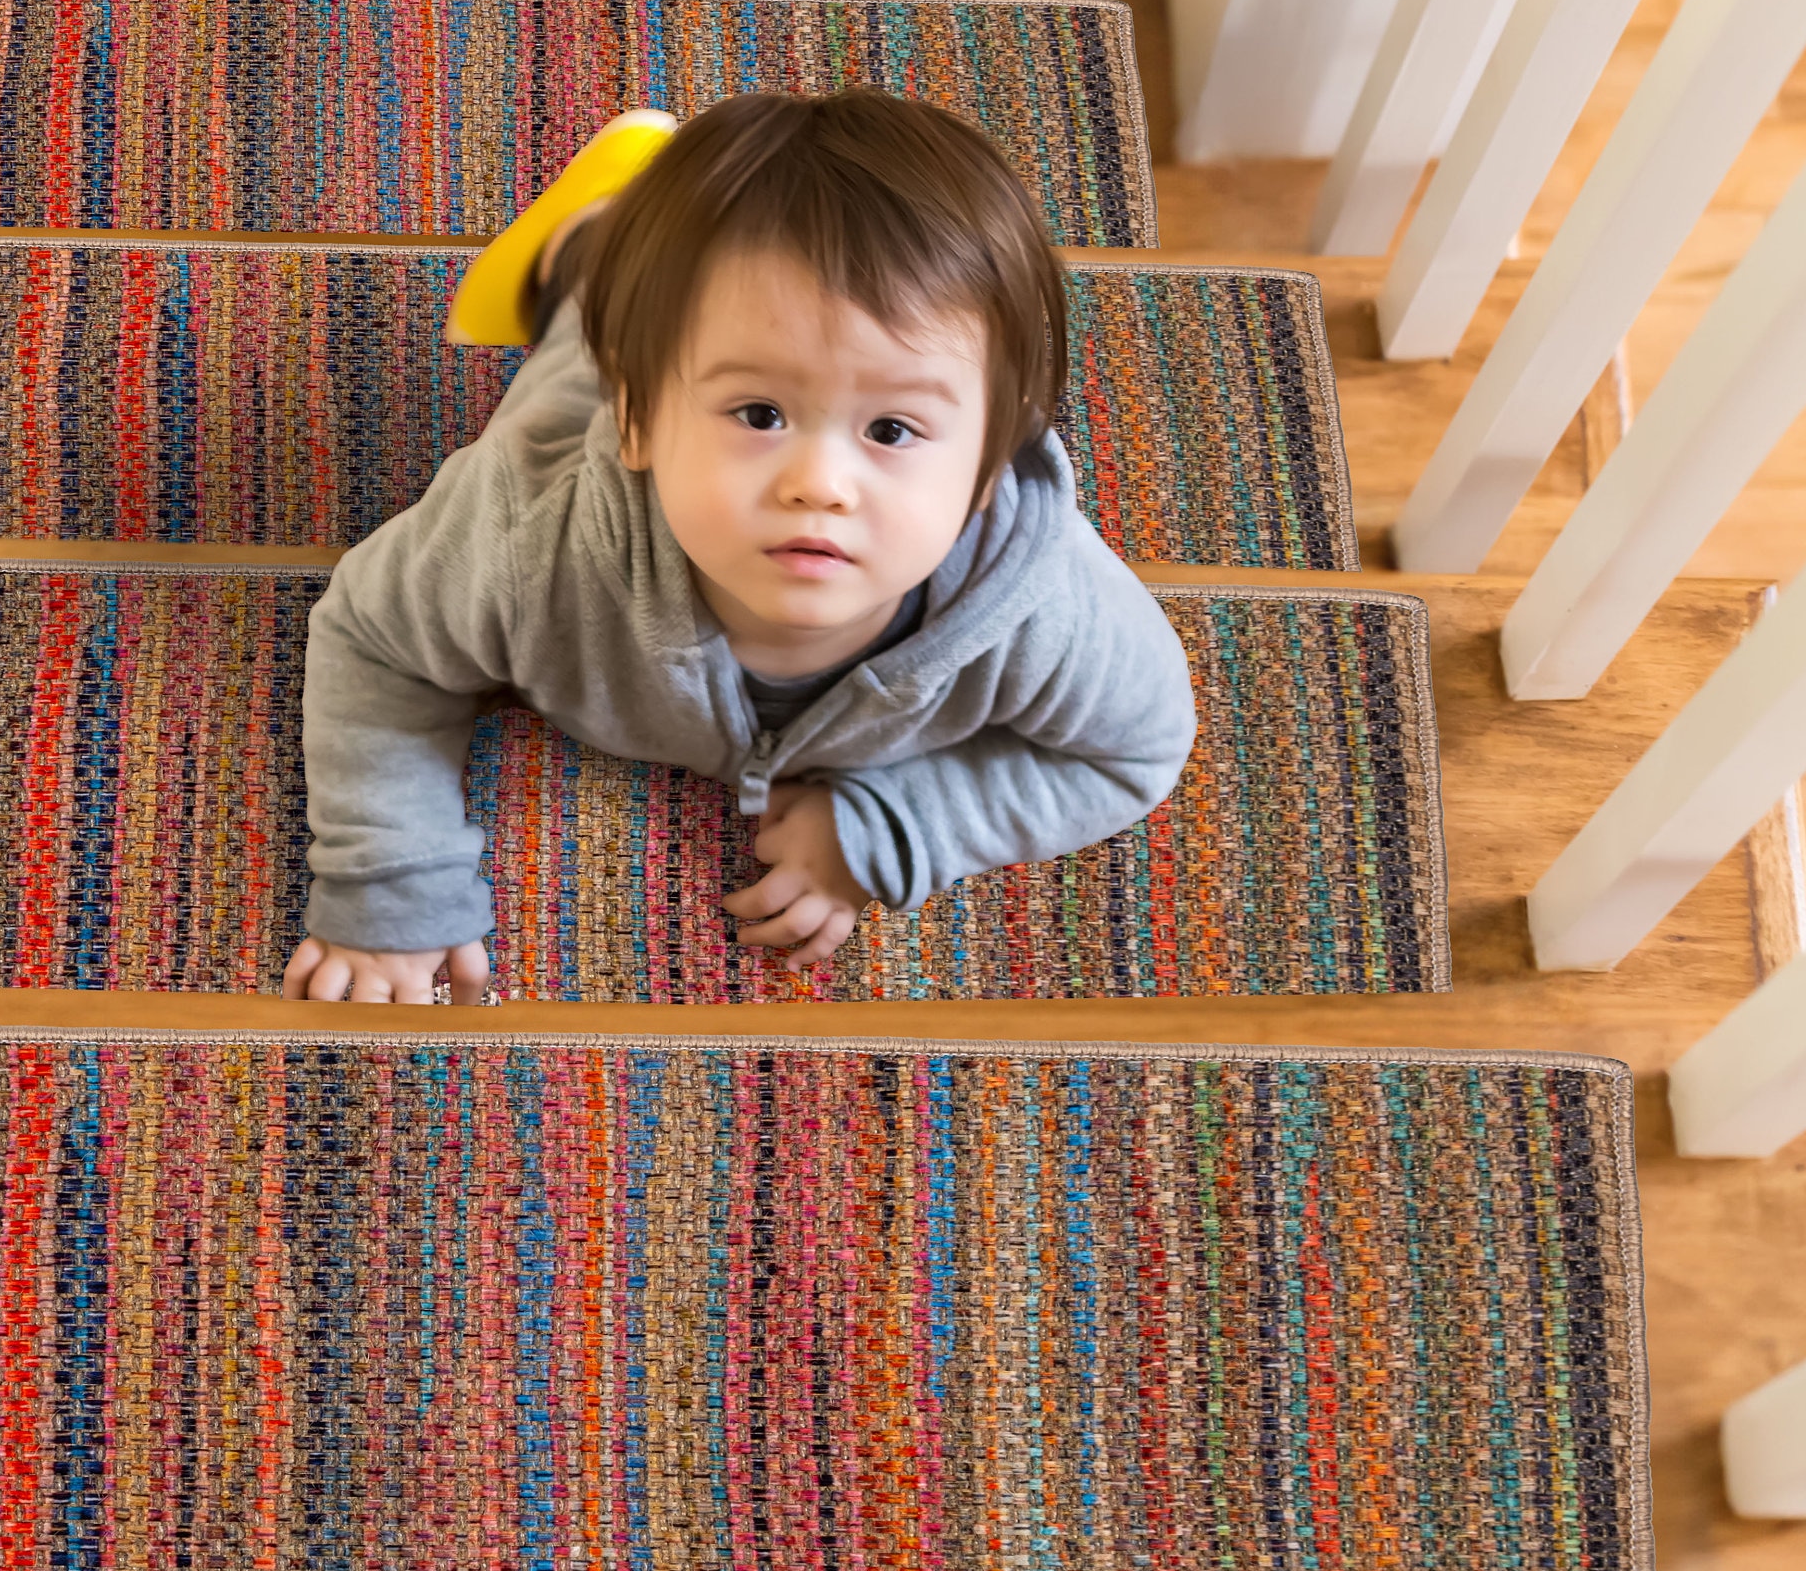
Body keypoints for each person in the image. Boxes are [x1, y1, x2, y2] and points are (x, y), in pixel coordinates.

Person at [281, 88, 1197, 1003]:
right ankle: (599, 221)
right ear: (637, 422)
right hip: (588, 377)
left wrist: (898, 824)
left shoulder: (1041, 608)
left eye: (892, 430)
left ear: (992, 463)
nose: (820, 483)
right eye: (760, 415)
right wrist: (389, 881)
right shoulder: (526, 537)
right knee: (597, 296)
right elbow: (373, 641)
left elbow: (1138, 750)